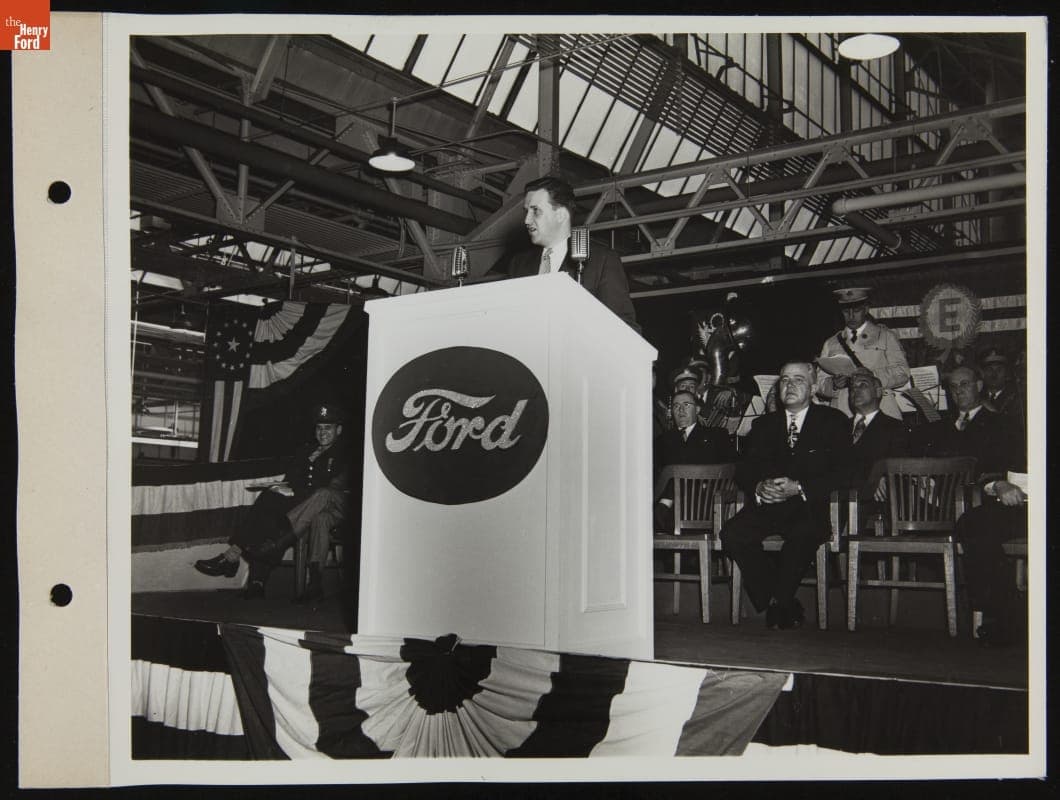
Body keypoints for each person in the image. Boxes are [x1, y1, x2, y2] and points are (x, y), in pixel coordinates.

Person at [719, 359, 849, 629]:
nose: (789, 385)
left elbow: (845, 471)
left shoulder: (833, 421)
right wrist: (757, 486)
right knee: (732, 534)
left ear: (813, 388)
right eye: (785, 380)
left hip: (808, 505)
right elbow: (744, 469)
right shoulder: (764, 425)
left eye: (798, 379)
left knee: (803, 535)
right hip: (767, 506)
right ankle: (781, 600)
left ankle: (779, 603)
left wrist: (799, 487)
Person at [912, 365, 1026, 646]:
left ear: (979, 385)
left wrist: (995, 483)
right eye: (953, 387)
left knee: (974, 526)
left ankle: (1007, 616)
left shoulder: (1002, 423)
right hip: (939, 509)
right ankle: (1001, 612)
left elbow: (1007, 467)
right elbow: (917, 460)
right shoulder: (938, 428)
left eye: (965, 384)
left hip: (992, 505)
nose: (959, 390)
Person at [195, 403, 351, 603]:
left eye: (328, 428)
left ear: (339, 430)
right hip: (305, 502)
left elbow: (333, 485)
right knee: (270, 499)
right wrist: (281, 488)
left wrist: (298, 489)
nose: (322, 433)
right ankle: (253, 577)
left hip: (333, 501)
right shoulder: (306, 451)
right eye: (319, 428)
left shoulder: (346, 453)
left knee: (321, 494)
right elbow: (291, 478)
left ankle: (258, 550)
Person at [505, 175, 638, 330]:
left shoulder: (601, 261)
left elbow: (625, 328)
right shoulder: (518, 265)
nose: (526, 220)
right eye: (526, 211)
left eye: (535, 211)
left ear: (561, 215)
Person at [816, 287, 909, 420]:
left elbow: (903, 372)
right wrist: (834, 384)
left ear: (866, 309)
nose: (851, 316)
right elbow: (819, 383)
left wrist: (873, 376)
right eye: (846, 311)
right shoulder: (831, 343)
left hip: (880, 409)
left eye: (857, 310)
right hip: (843, 412)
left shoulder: (885, 336)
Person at [846, 367, 909, 504]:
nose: (855, 390)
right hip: (839, 498)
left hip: (875, 502)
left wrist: (885, 477)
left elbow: (900, 465)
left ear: (878, 392)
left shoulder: (895, 427)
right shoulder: (839, 426)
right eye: (852, 388)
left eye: (863, 385)